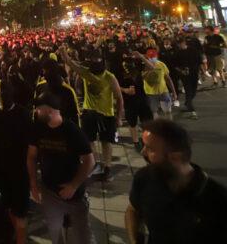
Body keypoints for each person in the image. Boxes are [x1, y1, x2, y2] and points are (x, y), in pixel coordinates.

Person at [126, 119, 227, 244]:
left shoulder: (220, 203)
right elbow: (133, 210)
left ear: (175, 157)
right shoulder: (145, 178)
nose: (143, 152)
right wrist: (134, 240)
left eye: (150, 148)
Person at [28, 91, 96, 244]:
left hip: (74, 195)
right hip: (49, 191)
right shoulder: (38, 128)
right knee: (55, 232)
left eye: (38, 109)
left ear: (48, 110)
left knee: (83, 236)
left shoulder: (71, 130)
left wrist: (73, 186)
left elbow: (90, 161)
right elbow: (31, 156)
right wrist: (33, 184)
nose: (36, 112)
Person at [63, 51, 124, 181]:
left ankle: (107, 167)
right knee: (89, 141)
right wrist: (63, 51)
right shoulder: (86, 72)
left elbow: (119, 97)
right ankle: (95, 164)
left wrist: (119, 117)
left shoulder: (110, 77)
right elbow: (70, 62)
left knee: (106, 142)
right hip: (89, 113)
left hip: (106, 114)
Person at [0, 79, 31, 244]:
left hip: (19, 173)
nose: (2, 96)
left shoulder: (24, 115)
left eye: (5, 92)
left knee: (20, 212)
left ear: (12, 93)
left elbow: (31, 147)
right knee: (3, 210)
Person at [119, 57, 153, 151]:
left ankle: (146, 140)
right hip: (129, 102)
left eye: (129, 64)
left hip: (142, 100)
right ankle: (136, 142)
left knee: (146, 122)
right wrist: (125, 90)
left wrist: (141, 56)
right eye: (125, 65)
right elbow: (115, 86)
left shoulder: (138, 73)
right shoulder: (120, 74)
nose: (127, 67)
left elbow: (151, 67)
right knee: (132, 122)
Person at [135, 48, 178, 120]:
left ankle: (169, 125)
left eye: (154, 56)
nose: (152, 58)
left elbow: (168, 79)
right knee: (154, 112)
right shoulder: (143, 66)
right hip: (150, 94)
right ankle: (158, 126)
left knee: (168, 111)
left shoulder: (161, 64)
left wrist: (174, 92)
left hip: (163, 91)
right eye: (150, 56)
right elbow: (141, 78)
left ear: (157, 56)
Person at [175, 38, 202, 119]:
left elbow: (199, 61)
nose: (180, 45)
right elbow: (175, 65)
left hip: (194, 74)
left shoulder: (193, 50)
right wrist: (181, 71)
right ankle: (193, 112)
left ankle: (188, 103)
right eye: (178, 44)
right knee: (188, 92)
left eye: (181, 43)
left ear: (184, 43)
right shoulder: (178, 53)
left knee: (193, 91)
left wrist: (202, 72)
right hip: (185, 75)